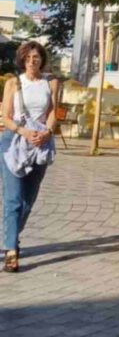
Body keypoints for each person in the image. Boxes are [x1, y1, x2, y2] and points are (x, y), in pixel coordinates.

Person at [1, 40, 59, 273]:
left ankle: (11, 235)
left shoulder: (51, 82)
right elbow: (5, 117)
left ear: (42, 59)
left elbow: (54, 111)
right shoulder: (14, 83)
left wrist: (47, 132)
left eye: (36, 57)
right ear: (22, 60)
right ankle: (11, 251)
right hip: (14, 143)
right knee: (13, 200)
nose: (32, 61)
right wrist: (23, 131)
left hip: (41, 144)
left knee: (28, 201)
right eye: (27, 58)